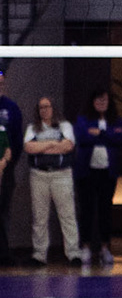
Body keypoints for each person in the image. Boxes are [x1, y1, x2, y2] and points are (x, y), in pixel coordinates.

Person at [73, 90, 122, 268]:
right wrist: (105, 135)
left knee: (105, 210)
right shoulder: (83, 119)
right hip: (87, 172)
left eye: (105, 99)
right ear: (92, 101)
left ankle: (105, 247)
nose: (102, 102)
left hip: (107, 173)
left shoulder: (116, 120)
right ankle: (86, 246)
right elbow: (82, 136)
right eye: (98, 99)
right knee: (86, 210)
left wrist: (100, 133)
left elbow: (119, 138)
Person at [24, 98, 78, 267]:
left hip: (61, 175)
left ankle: (73, 253)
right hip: (39, 175)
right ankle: (39, 254)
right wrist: (54, 144)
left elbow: (68, 146)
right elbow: (29, 148)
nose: (44, 110)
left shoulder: (64, 126)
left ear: (53, 108)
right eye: (41, 107)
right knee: (39, 216)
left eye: (47, 107)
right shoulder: (33, 128)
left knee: (67, 215)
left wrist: (42, 145)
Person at [0, 69, 22, 264]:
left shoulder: (11, 108)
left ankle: (4, 252)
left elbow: (17, 141)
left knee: (4, 210)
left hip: (5, 168)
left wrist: (7, 161)